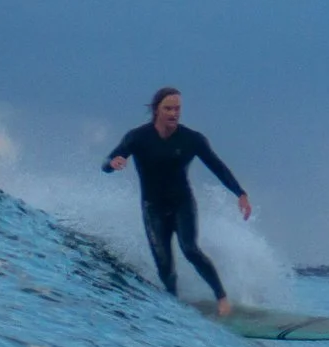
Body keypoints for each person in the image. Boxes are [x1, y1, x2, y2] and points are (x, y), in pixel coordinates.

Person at [103, 87, 252, 316]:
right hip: (153, 208)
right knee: (164, 264)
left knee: (190, 249)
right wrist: (113, 164)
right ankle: (173, 304)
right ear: (156, 110)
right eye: (168, 108)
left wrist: (240, 193)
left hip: (182, 204)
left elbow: (218, 167)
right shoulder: (138, 137)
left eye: (177, 108)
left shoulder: (192, 139)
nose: (174, 113)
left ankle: (222, 298)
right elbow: (108, 161)